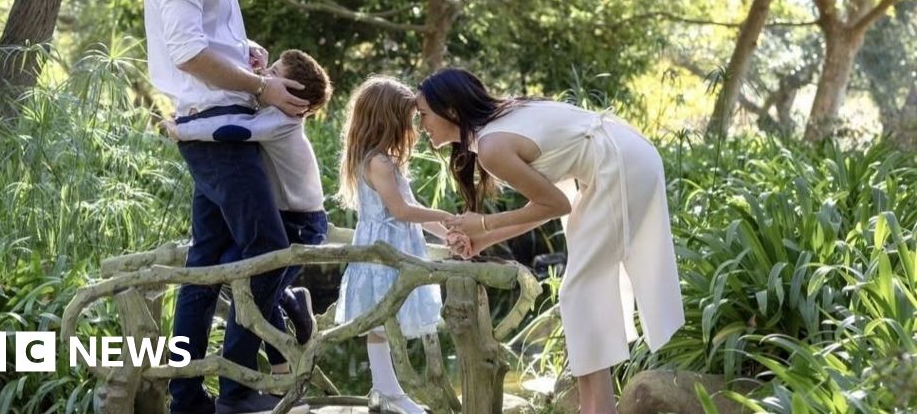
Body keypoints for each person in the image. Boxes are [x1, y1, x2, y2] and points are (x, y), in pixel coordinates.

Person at [418, 68, 684, 414]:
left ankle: (599, 408)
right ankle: (595, 407)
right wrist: (483, 239)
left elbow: (557, 204)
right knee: (584, 293)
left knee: (579, 291)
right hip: (622, 157)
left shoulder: (492, 146)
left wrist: (482, 223)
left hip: (621, 164)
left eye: (423, 114)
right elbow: (543, 207)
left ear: (451, 110)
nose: (421, 125)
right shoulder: (497, 128)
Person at [145, 0, 310, 414]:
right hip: (216, 132)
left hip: (220, 125)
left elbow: (209, 42)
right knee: (267, 249)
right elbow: (188, 54)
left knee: (206, 265)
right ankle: (237, 387)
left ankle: (188, 396)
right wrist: (263, 87)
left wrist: (247, 53)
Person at [162, 49, 332, 356]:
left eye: (275, 74)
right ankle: (290, 305)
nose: (266, 78)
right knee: (238, 270)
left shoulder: (281, 120)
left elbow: (233, 129)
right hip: (285, 216)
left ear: (293, 98)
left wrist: (183, 130)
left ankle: (277, 354)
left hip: (303, 224)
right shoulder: (272, 112)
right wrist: (259, 68)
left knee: (259, 285)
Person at [332, 77, 451, 414]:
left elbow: (410, 209)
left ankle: (385, 390)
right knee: (384, 319)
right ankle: (388, 391)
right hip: (386, 253)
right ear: (390, 121)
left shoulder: (380, 160)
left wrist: (447, 232)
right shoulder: (378, 163)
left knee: (384, 320)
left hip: (390, 247)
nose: (415, 128)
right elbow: (401, 211)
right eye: (410, 120)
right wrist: (448, 215)